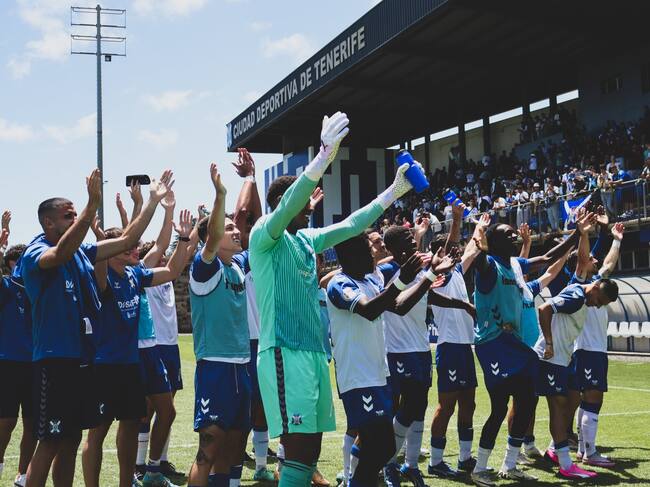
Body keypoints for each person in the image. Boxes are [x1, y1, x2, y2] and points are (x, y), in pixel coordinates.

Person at [249, 112, 420, 487]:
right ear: (285, 204)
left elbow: (352, 225)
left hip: (313, 355)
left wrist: (394, 192)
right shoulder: (265, 233)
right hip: (283, 352)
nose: (311, 204)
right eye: (305, 200)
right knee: (296, 448)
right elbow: (292, 201)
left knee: (309, 451)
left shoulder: (306, 240)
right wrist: (324, 155)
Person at [20, 169, 173, 487]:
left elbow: (128, 240)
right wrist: (91, 207)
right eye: (68, 215)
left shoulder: (80, 253)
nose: (74, 219)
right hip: (54, 361)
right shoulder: (36, 252)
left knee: (72, 439)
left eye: (76, 215)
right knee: (50, 440)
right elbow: (58, 254)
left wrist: (153, 202)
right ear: (49, 223)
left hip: (82, 361)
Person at [81, 210, 191, 487]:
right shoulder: (102, 276)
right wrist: (100, 240)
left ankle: (125, 483)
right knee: (97, 433)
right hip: (104, 366)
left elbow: (172, 271)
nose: (135, 248)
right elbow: (99, 266)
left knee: (131, 424)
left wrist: (185, 237)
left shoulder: (135, 275)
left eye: (134, 244)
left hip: (130, 365)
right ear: (113, 250)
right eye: (127, 245)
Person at [469, 218, 578, 487]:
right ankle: (480, 467)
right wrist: (480, 248)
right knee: (498, 408)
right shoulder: (489, 266)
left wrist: (578, 234)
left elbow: (547, 257)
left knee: (528, 400)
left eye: (513, 234)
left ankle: (510, 464)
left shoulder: (516, 265)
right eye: (507, 235)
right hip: (493, 344)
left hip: (515, 345)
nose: (514, 237)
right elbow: (479, 263)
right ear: (493, 243)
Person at [327, 233, 441, 487]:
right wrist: (401, 280)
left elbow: (398, 305)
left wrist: (429, 276)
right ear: (352, 256)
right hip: (358, 378)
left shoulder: (368, 280)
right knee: (377, 444)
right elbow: (369, 310)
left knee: (383, 446)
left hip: (378, 375)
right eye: (369, 251)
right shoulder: (340, 284)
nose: (374, 255)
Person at [380, 226, 471, 487]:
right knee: (404, 407)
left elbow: (426, 295)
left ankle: (410, 464)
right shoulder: (389, 271)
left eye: (414, 238)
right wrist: (430, 272)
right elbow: (396, 303)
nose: (414, 243)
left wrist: (462, 304)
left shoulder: (419, 271)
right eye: (409, 240)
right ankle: (389, 463)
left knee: (418, 406)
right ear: (395, 249)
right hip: (398, 350)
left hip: (420, 349)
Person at [186, 164, 252, 487]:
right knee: (208, 453)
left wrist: (249, 179)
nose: (235, 232)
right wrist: (220, 194)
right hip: (215, 369)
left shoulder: (236, 265)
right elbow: (214, 236)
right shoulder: (204, 270)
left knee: (232, 447)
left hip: (241, 368)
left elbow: (245, 218)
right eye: (228, 230)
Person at [535, 276, 619, 479]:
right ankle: (563, 462)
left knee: (568, 401)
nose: (597, 307)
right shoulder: (576, 295)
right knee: (557, 406)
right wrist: (549, 343)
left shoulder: (582, 298)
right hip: (550, 359)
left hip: (562, 359)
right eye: (599, 302)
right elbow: (543, 309)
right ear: (596, 288)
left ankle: (556, 452)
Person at [135, 189, 191, 485]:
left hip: (169, 346)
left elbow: (184, 252)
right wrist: (166, 212)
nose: (163, 254)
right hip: (152, 346)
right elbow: (159, 243)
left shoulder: (168, 273)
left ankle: (160, 460)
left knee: (168, 406)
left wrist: (192, 232)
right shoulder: (143, 272)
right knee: (148, 408)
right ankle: (140, 464)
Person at [230, 148, 278, 482]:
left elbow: (253, 217)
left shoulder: (263, 253)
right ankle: (236, 470)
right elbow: (243, 214)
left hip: (266, 339)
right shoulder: (238, 257)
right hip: (244, 342)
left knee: (263, 407)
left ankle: (261, 467)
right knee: (243, 411)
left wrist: (251, 179)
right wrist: (249, 179)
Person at [427, 208, 485, 478]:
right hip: (449, 347)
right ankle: (436, 461)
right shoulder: (439, 274)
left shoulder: (459, 271)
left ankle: (464, 458)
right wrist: (458, 219)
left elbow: (472, 249)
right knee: (446, 406)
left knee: (468, 405)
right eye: (451, 250)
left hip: (464, 347)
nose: (457, 251)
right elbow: (453, 246)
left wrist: (480, 227)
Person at [567, 222, 625, 468]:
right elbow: (584, 259)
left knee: (587, 401)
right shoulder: (579, 289)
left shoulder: (596, 285)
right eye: (591, 258)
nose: (595, 260)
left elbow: (609, 264)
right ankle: (590, 453)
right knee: (592, 400)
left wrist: (617, 240)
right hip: (588, 351)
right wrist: (584, 233)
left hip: (593, 351)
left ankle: (583, 450)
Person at [0, 211, 35, 487]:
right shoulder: (5, 288)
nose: (19, 270)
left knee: (33, 425)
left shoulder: (39, 289)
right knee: (5, 422)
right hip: (8, 364)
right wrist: (2, 236)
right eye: (14, 265)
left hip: (37, 364)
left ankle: (23, 477)